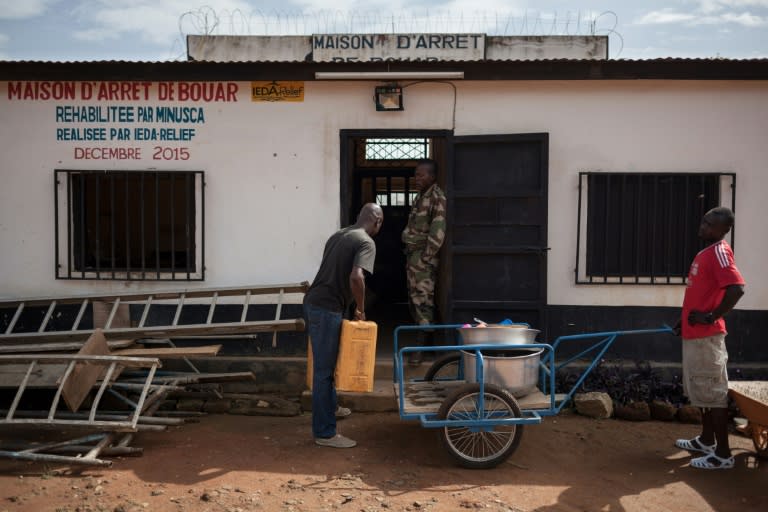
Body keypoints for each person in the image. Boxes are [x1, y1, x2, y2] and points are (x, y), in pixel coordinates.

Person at [303, 203, 384, 448]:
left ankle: (332, 408)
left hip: (314, 303)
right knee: (324, 372)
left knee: (328, 364)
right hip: (327, 309)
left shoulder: (339, 234)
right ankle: (325, 433)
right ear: (377, 222)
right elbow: (356, 277)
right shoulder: (366, 242)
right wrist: (360, 308)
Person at [673, 206, 745, 470]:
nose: (702, 226)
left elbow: (737, 289)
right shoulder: (706, 252)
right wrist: (684, 321)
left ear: (723, 230)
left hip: (707, 338)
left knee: (713, 393)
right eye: (703, 221)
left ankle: (722, 454)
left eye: (709, 224)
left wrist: (710, 316)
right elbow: (701, 293)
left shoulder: (720, 252)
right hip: (695, 335)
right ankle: (706, 441)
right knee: (701, 389)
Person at [401, 159, 447, 365]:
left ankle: (420, 349)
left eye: (421, 175)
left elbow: (438, 231)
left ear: (432, 176)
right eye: (415, 174)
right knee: (414, 299)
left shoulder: (437, 197)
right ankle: (425, 344)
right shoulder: (420, 197)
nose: (417, 178)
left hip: (422, 258)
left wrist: (425, 258)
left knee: (423, 300)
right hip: (413, 256)